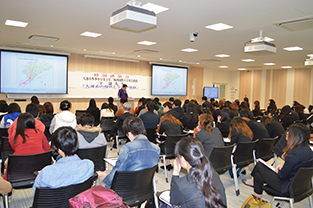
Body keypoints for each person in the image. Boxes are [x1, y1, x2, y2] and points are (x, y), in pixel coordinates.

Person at [250, 123, 313, 200]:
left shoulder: (293, 154)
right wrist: (284, 164)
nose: (286, 138)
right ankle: (256, 199)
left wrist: (278, 169)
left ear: (294, 137)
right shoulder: (308, 150)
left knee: (259, 165)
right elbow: (297, 165)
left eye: (287, 135)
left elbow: (282, 176)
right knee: (258, 176)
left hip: (287, 188)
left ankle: (252, 183)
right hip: (303, 187)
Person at [98, 117, 160, 188]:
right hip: (144, 186)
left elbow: (118, 171)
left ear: (129, 133)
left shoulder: (128, 148)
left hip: (127, 187)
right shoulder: (156, 148)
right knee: (106, 173)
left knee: (100, 179)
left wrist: (105, 181)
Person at [170, 137, 226, 208]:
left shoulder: (181, 184)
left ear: (183, 159)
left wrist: (175, 172)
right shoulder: (214, 174)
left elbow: (173, 201)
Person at [4, 113, 51, 180]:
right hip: (38, 166)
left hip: (19, 168)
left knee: (7, 163)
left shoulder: (14, 136)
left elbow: (14, 148)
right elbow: (47, 149)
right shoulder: (39, 133)